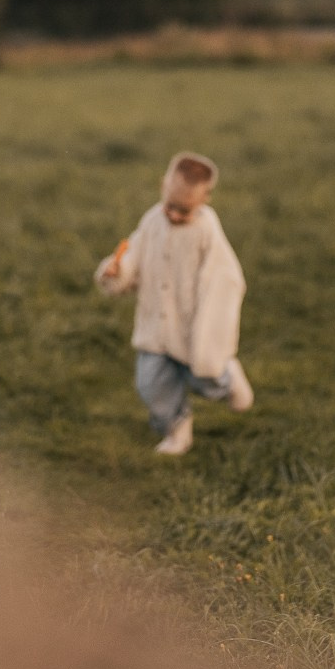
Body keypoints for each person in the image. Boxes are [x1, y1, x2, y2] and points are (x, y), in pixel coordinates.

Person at [95, 152, 253, 456]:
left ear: (205, 199)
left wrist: (213, 331)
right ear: (162, 187)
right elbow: (134, 258)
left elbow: (226, 277)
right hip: (155, 329)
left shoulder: (207, 231)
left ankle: (230, 378)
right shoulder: (153, 221)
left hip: (193, 330)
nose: (175, 215)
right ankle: (178, 429)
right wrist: (117, 270)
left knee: (207, 379)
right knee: (152, 384)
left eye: (185, 210)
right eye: (171, 206)